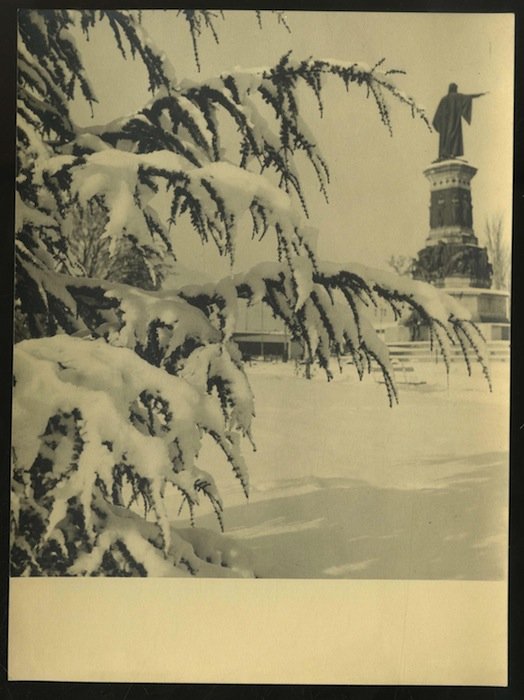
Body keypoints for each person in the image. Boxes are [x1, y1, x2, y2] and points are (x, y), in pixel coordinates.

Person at [432, 83, 487, 160]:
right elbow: (469, 97)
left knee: (445, 138)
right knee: (454, 136)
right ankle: (451, 153)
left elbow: (436, 117)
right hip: (454, 123)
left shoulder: (443, 99)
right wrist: (480, 94)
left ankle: (444, 154)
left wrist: (438, 126)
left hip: (444, 127)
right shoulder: (457, 96)